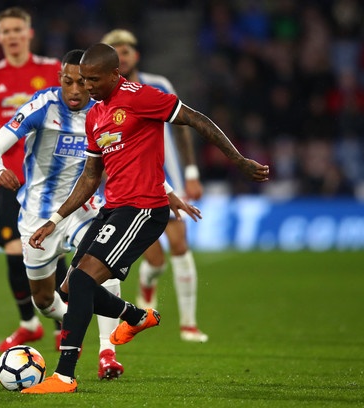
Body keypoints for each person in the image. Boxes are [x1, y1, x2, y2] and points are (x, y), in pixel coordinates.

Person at [21, 43, 269, 394]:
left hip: (143, 209)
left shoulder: (140, 97)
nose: (87, 86)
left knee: (82, 283)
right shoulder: (95, 115)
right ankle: (135, 316)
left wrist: (239, 160)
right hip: (112, 209)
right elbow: (90, 177)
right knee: (69, 288)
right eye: (83, 79)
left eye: (93, 79)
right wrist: (55, 219)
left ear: (114, 74)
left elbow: (197, 119)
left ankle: (64, 376)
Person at [0, 49, 123, 380]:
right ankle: (71, 319)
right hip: (38, 216)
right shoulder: (41, 106)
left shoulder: (105, 110)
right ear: (59, 78)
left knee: (104, 266)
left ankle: (107, 353)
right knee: (44, 302)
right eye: (67, 81)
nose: (74, 90)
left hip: (81, 208)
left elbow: (130, 156)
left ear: (91, 82)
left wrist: (166, 189)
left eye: (82, 83)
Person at [101, 29, 208, 343]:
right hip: (134, 186)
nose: (122, 57)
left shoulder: (158, 85)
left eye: (126, 50)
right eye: (116, 52)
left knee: (180, 245)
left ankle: (188, 324)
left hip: (168, 177)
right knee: (155, 261)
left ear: (136, 55)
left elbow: (182, 128)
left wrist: (191, 172)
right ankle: (148, 286)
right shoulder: (105, 98)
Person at [0, 7, 63, 352]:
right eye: (6, 31)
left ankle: (62, 325)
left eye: (17, 29)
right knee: (13, 250)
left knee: (54, 250)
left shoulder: (52, 69)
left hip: (48, 178)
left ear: (29, 33)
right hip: (10, 178)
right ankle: (29, 324)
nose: (12, 36)